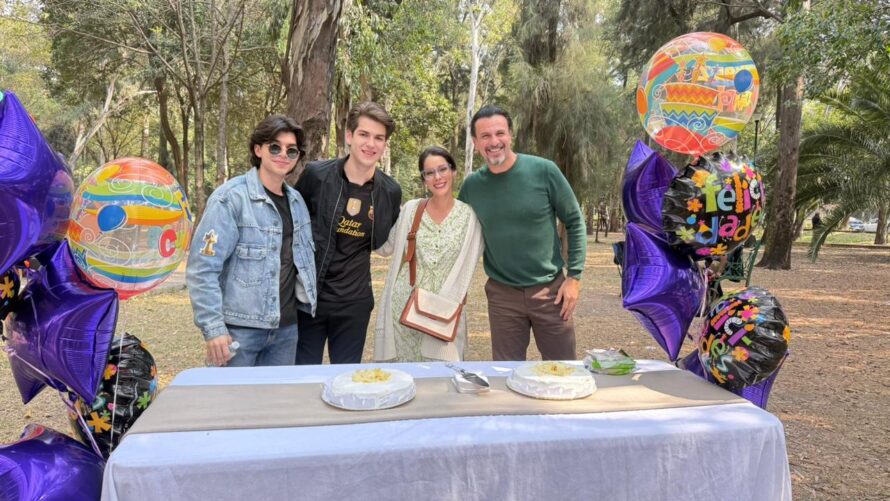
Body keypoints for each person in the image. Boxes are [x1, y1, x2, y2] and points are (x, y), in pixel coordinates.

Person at [186, 115, 317, 367]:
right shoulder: (230, 199)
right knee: (232, 395)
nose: (283, 155)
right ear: (258, 150)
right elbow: (202, 268)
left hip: (286, 331)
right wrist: (213, 328)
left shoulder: (297, 202)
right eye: (275, 147)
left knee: (277, 395)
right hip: (239, 332)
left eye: (291, 150)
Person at [458, 105, 586, 361]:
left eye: (500, 133)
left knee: (563, 370)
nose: (494, 142)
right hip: (502, 296)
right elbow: (457, 234)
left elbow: (574, 220)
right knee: (506, 373)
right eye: (485, 136)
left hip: (551, 291)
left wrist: (574, 277)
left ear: (510, 135)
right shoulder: (472, 186)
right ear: (475, 142)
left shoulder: (544, 171)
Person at [294, 102, 402, 364]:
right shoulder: (316, 176)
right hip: (309, 299)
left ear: (384, 144)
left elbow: (383, 240)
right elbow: (292, 226)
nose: (371, 144)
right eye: (364, 134)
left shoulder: (390, 191)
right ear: (349, 136)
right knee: (303, 377)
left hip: (354, 303)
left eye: (379, 138)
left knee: (346, 378)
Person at [374, 147, 483, 362]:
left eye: (443, 169)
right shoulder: (411, 210)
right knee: (405, 375)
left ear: (454, 171)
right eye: (429, 173)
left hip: (445, 312)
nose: (437, 177)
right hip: (405, 310)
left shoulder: (470, 217)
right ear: (424, 180)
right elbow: (385, 247)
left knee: (443, 375)